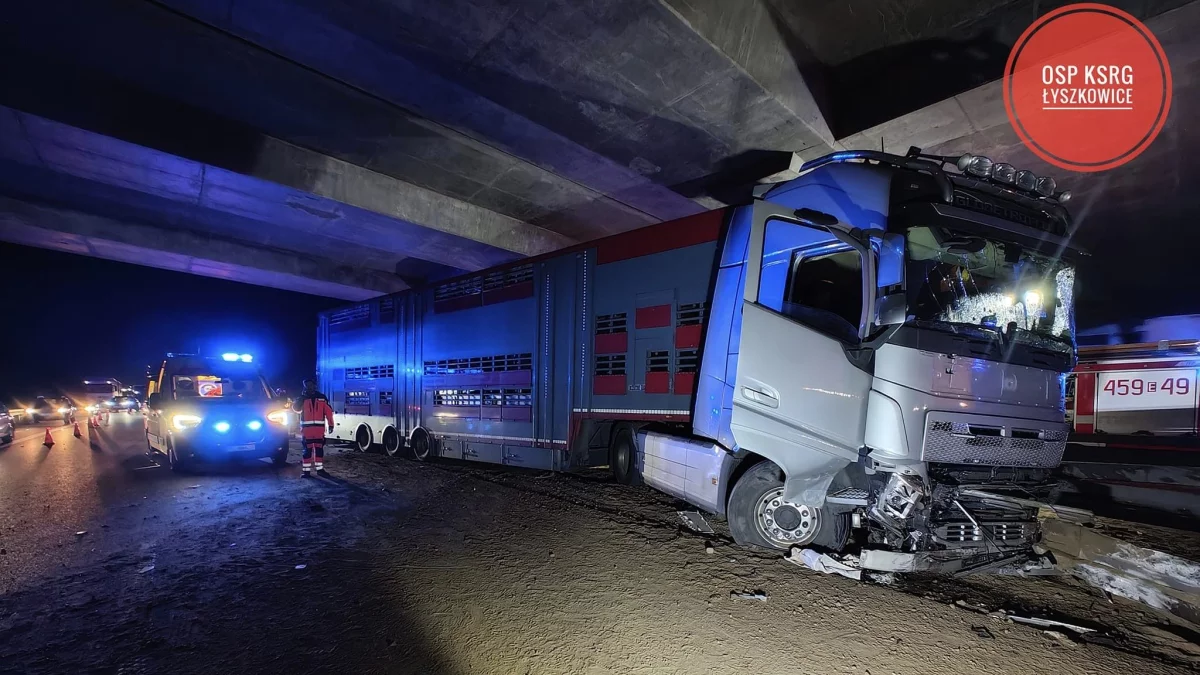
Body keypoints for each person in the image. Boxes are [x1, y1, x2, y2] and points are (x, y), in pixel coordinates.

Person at [291, 377, 334, 477]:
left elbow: (328, 412)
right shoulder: (302, 398)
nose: (309, 387)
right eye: (307, 386)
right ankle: (306, 472)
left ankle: (320, 470)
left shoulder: (322, 397)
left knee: (319, 450)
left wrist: (331, 424)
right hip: (307, 431)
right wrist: (302, 398)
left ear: (315, 385)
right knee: (307, 451)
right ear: (305, 387)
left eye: (311, 385)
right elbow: (296, 409)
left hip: (319, 431)